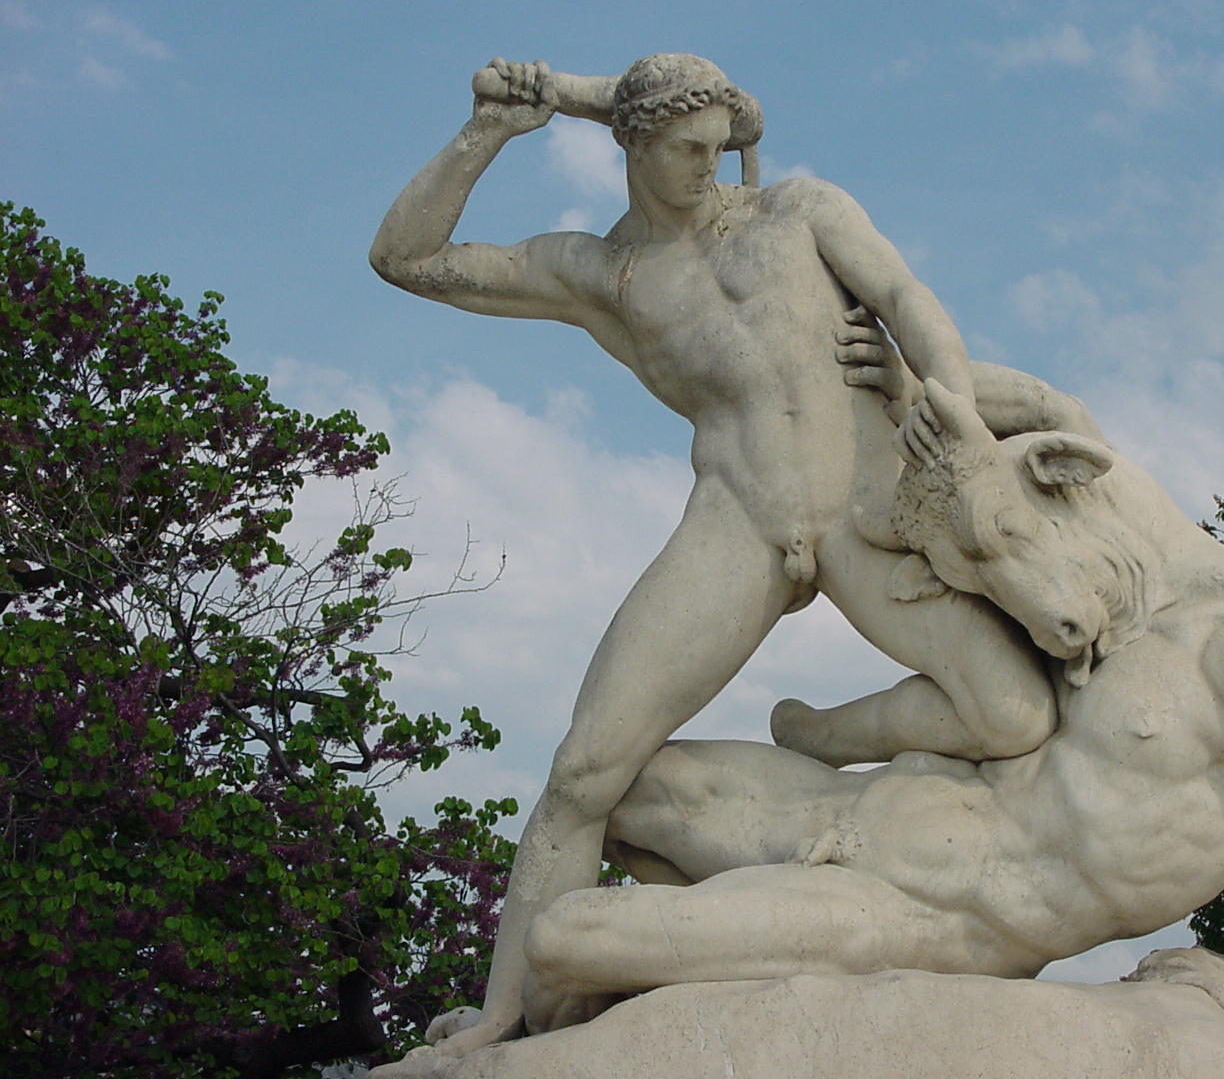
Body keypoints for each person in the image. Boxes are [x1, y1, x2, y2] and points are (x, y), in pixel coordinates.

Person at [367, 54, 1058, 1055]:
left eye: (719, 148)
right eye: (686, 149)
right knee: (584, 771)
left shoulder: (798, 212)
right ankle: (507, 1014)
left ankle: (817, 738)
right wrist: (488, 135)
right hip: (740, 520)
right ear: (635, 144)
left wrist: (941, 394)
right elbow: (406, 259)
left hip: (865, 513)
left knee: (1014, 712)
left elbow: (907, 296)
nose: (707, 166)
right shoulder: (602, 275)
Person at [495, 366, 1224, 1037]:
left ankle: (721, 957)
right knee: (619, 786)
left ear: (1063, 488)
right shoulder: (1100, 572)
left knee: (568, 935)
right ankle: (700, 965)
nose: (1018, 600)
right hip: (863, 806)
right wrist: (912, 386)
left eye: (1003, 548)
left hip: (929, 913)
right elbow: (1041, 409)